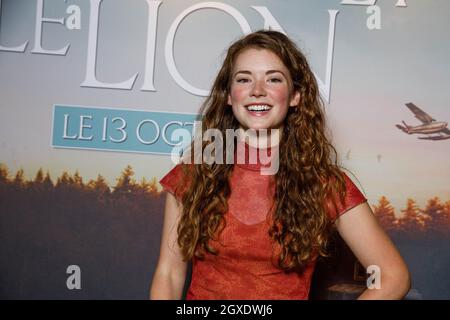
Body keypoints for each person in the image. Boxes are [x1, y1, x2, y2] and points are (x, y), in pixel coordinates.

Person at [150, 30, 410, 300]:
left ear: (295, 95)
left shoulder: (324, 184)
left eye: (273, 79)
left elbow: (393, 277)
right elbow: (168, 275)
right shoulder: (193, 175)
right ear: (229, 95)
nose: (257, 91)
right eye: (244, 79)